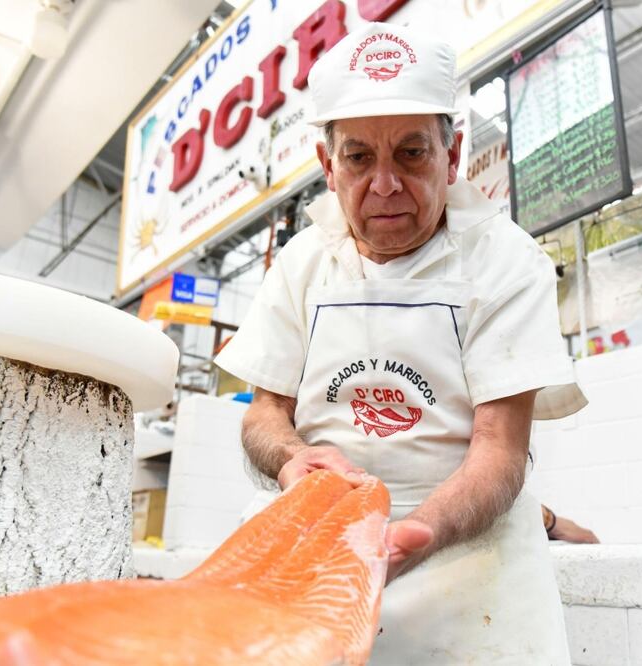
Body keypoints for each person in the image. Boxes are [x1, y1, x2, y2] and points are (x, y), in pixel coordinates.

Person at [214, 22, 586, 664]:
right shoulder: (302, 264)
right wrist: (290, 460)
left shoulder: (504, 261)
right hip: (312, 543)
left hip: (470, 564)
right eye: (359, 158)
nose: (384, 185)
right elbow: (265, 414)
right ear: (328, 166)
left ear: (452, 154)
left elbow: (500, 451)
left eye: (411, 154)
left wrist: (413, 533)